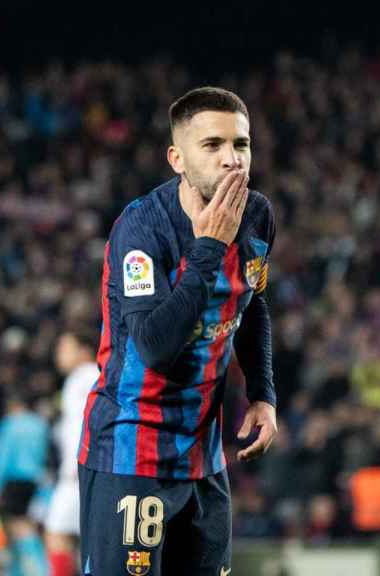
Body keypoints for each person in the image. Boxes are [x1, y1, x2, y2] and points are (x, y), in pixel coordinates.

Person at [78, 86, 277, 575]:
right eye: (212, 146)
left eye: (241, 145)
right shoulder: (141, 231)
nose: (232, 160)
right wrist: (208, 248)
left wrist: (263, 393)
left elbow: (251, 304)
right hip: (131, 451)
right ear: (177, 158)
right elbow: (154, 349)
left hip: (204, 462)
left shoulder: (257, 217)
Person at [45, 327, 100, 576]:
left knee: (58, 534)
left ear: (84, 350)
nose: (59, 353)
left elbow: (91, 422)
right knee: (79, 540)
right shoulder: (77, 379)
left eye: (65, 348)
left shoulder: (87, 375)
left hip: (80, 472)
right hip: (79, 470)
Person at [0, 393, 51, 576]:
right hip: (37, 480)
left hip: (14, 480)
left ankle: (41, 570)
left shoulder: (8, 425)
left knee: (19, 526)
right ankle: (18, 570)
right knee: (23, 527)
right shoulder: (40, 424)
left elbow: (2, 457)